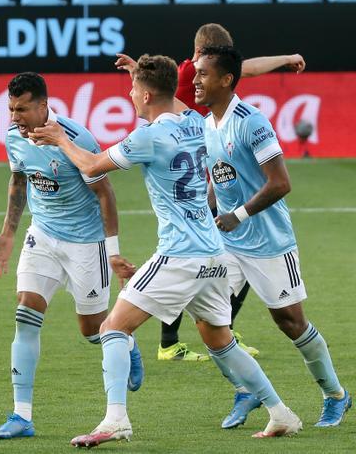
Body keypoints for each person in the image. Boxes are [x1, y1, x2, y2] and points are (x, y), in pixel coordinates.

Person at [29, 55, 301, 446]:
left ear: (143, 94)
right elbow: (166, 93)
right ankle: (281, 412)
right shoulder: (193, 119)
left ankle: (116, 420)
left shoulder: (148, 137)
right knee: (220, 340)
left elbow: (91, 166)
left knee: (112, 328)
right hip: (213, 251)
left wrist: (59, 138)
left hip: (181, 253)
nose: (129, 96)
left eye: (133, 91)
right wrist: (140, 73)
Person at [115, 23, 306, 361]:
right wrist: (138, 77)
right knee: (196, 257)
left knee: (214, 260)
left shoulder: (205, 76)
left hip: (207, 156)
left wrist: (285, 58)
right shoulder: (190, 72)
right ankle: (172, 340)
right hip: (191, 160)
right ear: (203, 55)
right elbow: (162, 92)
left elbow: (245, 69)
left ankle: (217, 334)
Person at [195, 45, 351, 429]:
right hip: (228, 242)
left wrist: (240, 215)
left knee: (290, 322)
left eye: (202, 74)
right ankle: (246, 390)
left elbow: (281, 183)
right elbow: (219, 176)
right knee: (208, 320)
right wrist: (208, 209)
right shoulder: (207, 123)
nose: (195, 81)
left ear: (226, 80)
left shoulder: (252, 121)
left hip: (268, 241)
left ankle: (336, 395)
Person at [0, 72, 139, 440]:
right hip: (43, 237)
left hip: (86, 244)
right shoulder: (13, 138)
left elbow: (106, 195)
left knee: (92, 330)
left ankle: (125, 343)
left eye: (22, 109)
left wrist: (112, 252)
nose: (15, 116)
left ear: (43, 106)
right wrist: (8, 233)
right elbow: (19, 182)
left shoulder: (77, 138)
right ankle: (21, 416)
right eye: (10, 109)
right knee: (26, 312)